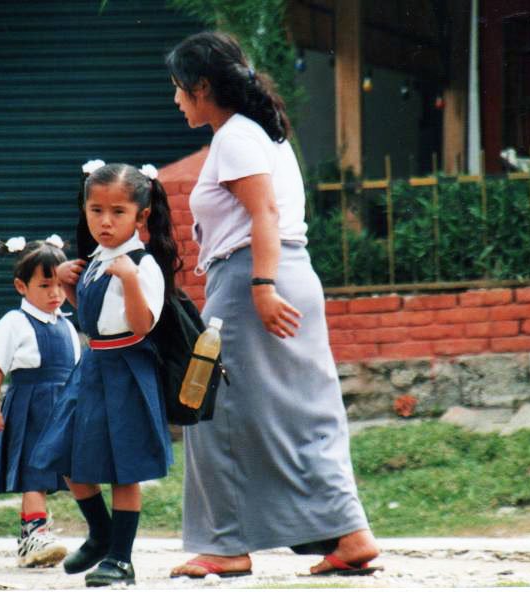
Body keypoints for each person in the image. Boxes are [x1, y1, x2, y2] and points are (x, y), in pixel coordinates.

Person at [165, 31, 381, 578]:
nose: (176, 100)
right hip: (289, 273)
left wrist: (261, 286)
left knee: (210, 407)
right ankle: (350, 534)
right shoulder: (266, 133)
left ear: (204, 86)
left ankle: (225, 546)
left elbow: (262, 215)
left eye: (179, 89)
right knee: (304, 412)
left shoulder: (235, 138)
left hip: (252, 281)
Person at [31, 162, 178, 587]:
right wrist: (70, 285)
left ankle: (121, 558)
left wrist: (131, 279)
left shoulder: (141, 263)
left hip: (126, 369)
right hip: (92, 365)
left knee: (122, 467)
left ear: (141, 215)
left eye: (117, 212)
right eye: (96, 211)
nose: (105, 222)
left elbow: (139, 324)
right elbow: (95, 317)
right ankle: (100, 533)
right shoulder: (97, 259)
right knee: (67, 455)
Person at [0, 235, 80, 568]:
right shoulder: (15, 323)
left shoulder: (67, 326)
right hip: (30, 408)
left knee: (56, 473)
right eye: (45, 285)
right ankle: (37, 531)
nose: (55, 293)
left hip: (62, 408)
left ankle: (29, 539)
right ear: (21, 287)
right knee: (33, 471)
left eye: (60, 285)